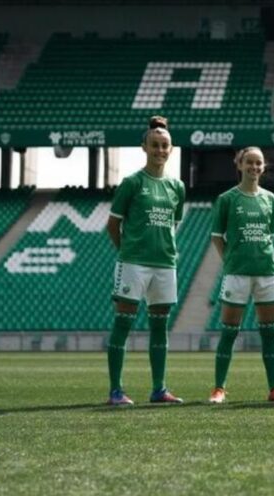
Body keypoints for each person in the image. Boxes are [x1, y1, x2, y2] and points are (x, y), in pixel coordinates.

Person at [105, 116, 185, 406]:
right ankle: (116, 390)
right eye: (154, 145)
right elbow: (112, 226)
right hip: (134, 263)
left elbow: (174, 223)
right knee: (123, 324)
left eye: (165, 145)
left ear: (171, 149)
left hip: (164, 263)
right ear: (144, 147)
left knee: (159, 327)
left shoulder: (177, 186)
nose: (160, 150)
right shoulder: (132, 183)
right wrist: (127, 254)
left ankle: (159, 389)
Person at [208, 147, 274, 404]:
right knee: (229, 332)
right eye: (249, 162)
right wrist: (230, 261)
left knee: (269, 333)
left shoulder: (271, 199)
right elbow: (216, 237)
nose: (254, 167)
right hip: (237, 274)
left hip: (266, 273)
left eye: (259, 163)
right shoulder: (227, 199)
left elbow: (270, 237)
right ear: (239, 165)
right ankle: (219, 388)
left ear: (263, 167)